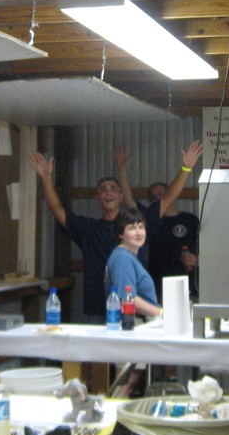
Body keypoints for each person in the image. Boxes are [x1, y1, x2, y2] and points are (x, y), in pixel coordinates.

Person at [29, 152, 124, 324]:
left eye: (113, 189)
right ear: (97, 198)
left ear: (121, 197)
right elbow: (57, 209)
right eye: (103, 189)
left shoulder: (133, 228)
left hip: (129, 306)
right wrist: (46, 178)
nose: (108, 192)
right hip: (97, 309)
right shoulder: (88, 228)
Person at [114, 141, 203, 299]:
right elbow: (128, 201)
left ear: (171, 193)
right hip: (158, 288)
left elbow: (209, 250)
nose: (156, 197)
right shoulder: (149, 217)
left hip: (189, 288)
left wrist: (197, 260)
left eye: (161, 193)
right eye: (152, 196)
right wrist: (122, 170)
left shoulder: (190, 219)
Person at [105, 208, 161, 398]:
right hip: (130, 325)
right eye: (131, 228)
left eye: (141, 227)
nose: (138, 232)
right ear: (121, 234)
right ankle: (114, 425)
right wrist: (160, 313)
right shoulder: (122, 258)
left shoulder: (131, 257)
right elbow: (127, 298)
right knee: (123, 387)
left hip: (137, 325)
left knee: (129, 384)